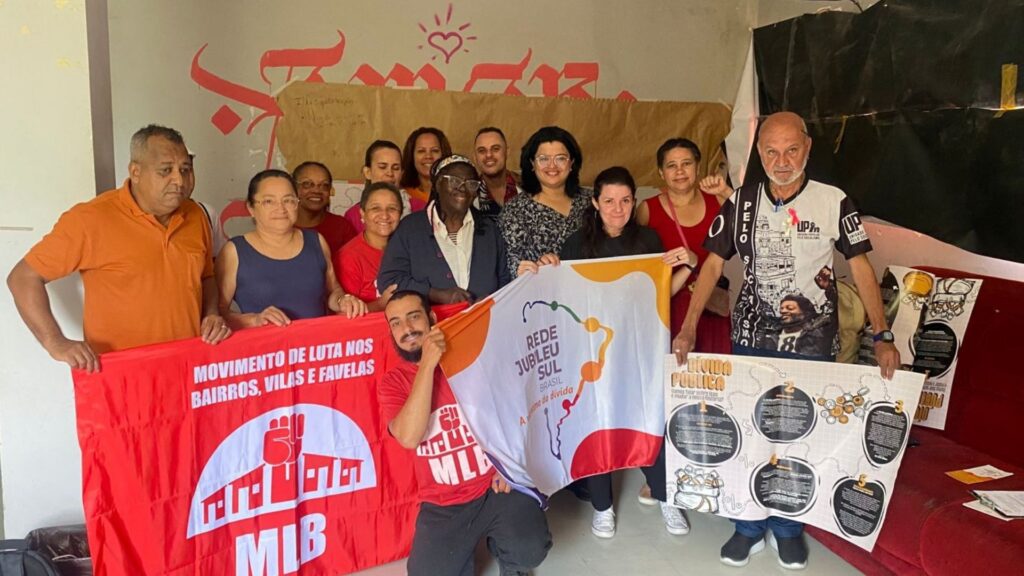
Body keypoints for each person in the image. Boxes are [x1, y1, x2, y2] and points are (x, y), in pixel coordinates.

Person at [673, 111, 900, 571]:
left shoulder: (834, 201)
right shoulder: (742, 202)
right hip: (751, 337)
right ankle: (748, 526)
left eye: (791, 150)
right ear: (759, 154)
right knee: (752, 430)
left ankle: (787, 528)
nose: (782, 161)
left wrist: (882, 335)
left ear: (807, 148)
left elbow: (860, 267)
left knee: (799, 435)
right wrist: (689, 326)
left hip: (812, 343)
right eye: (772, 152)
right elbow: (713, 264)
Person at [520, 167, 696, 539]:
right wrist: (542, 270)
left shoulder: (648, 239)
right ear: (596, 203)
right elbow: (560, 298)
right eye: (610, 201)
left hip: (638, 349)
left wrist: (689, 265)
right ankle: (603, 506)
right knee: (595, 420)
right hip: (592, 353)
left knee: (649, 417)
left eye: (626, 200)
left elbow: (661, 293)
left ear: (633, 202)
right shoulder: (576, 244)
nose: (618, 209)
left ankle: (666, 497)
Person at [6, 125, 230, 372]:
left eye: (185, 169)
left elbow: (206, 276)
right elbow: (23, 278)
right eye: (166, 170)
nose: (179, 180)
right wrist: (55, 342)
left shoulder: (196, 215)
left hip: (187, 367)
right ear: (135, 172)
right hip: (119, 374)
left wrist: (211, 314)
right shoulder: (91, 219)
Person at [380, 290, 552, 575]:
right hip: (443, 503)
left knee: (531, 547)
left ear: (431, 318)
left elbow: (515, 411)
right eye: (396, 323)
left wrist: (508, 465)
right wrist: (427, 364)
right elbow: (409, 437)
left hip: (494, 485)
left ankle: (511, 564)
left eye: (414, 317)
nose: (407, 328)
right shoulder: (393, 382)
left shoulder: (469, 358)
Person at [215, 169, 365, 329]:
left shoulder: (316, 241)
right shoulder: (234, 251)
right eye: (268, 201)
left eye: (288, 200)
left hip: (315, 342)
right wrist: (254, 320)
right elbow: (217, 313)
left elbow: (333, 290)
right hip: (264, 344)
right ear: (251, 208)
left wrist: (343, 300)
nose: (281, 208)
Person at [637, 138, 733, 352]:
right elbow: (637, 264)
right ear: (661, 172)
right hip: (667, 309)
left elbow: (753, 224)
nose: (679, 171)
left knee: (714, 369)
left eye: (686, 163)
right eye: (671, 165)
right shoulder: (647, 210)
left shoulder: (717, 200)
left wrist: (727, 192)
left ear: (698, 167)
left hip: (710, 307)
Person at [379, 154, 511, 304]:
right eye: (454, 181)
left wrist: (491, 301)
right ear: (437, 184)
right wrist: (434, 294)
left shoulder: (489, 230)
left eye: (471, 184)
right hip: (431, 318)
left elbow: (505, 281)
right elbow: (389, 280)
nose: (463, 188)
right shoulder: (410, 229)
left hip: (484, 318)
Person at [500, 126, 591, 278]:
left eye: (560, 158)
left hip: (594, 287)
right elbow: (509, 266)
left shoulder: (592, 201)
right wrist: (532, 268)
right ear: (532, 164)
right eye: (543, 159)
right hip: (541, 291)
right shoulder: (515, 211)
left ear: (572, 163)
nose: (552, 166)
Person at [335, 182, 403, 312]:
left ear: (400, 214)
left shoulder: (408, 248)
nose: (384, 215)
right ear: (362, 214)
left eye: (392, 208)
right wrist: (380, 304)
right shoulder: (348, 258)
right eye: (375, 208)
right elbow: (340, 316)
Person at [343, 140, 426, 232]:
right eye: (382, 167)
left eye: (396, 168)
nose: (390, 173)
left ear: (402, 174)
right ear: (368, 172)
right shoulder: (353, 215)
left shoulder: (421, 208)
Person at [291, 161, 357, 255]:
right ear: (294, 188)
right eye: (307, 184)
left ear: (330, 190)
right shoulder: (281, 224)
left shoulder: (342, 227)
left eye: (324, 185)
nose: (316, 190)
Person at [472, 127, 522, 217]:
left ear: (507, 152)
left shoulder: (529, 187)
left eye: (495, 149)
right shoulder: (469, 196)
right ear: (475, 157)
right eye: (482, 151)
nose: (489, 155)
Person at [399, 127, 452, 205]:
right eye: (421, 151)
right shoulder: (402, 195)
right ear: (411, 156)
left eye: (435, 151)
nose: (428, 156)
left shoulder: (456, 194)